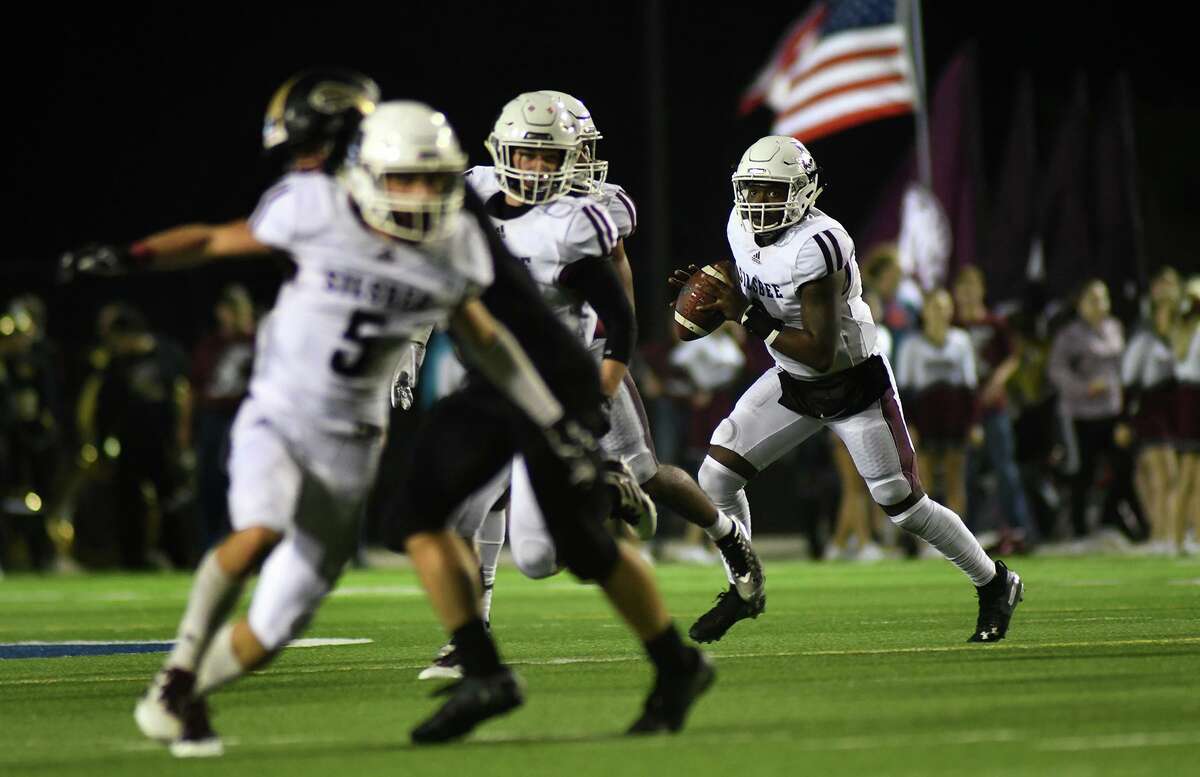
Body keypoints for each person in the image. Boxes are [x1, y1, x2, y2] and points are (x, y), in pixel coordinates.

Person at [385, 93, 713, 743]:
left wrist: (592, 403)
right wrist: (412, 343)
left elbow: (617, 321)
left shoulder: (571, 223)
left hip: (554, 383)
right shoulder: (466, 199)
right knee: (415, 513)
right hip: (492, 377)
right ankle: (481, 668)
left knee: (546, 554)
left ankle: (676, 659)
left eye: (548, 154)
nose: (533, 167)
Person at [672, 135, 1023, 644]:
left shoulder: (820, 244)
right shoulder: (738, 225)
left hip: (850, 383)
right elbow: (755, 289)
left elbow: (819, 350)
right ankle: (744, 584)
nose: (758, 203)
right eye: (752, 189)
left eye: (772, 191)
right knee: (716, 477)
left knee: (904, 506)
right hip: (792, 380)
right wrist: (713, 292)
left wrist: (743, 314)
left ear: (802, 191)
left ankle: (994, 581)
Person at [1048, 278, 1148, 542]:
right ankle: (1079, 531)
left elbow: (1123, 371)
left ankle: (1113, 517)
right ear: (1080, 304)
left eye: (1103, 298)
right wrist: (1084, 387)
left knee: (1123, 468)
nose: (1100, 304)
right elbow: (1056, 371)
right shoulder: (1070, 335)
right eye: (1092, 299)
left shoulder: (1115, 328)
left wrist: (1125, 410)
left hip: (1111, 412)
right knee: (1083, 472)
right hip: (1080, 414)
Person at [953, 266, 1038, 553]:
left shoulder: (995, 323)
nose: (967, 294)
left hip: (993, 406)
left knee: (1006, 469)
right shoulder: (954, 326)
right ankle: (967, 534)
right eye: (962, 288)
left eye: (971, 287)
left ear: (981, 290)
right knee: (965, 474)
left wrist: (998, 380)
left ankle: (1021, 529)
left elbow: (1013, 357)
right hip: (964, 410)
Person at [896, 288, 978, 521]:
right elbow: (904, 391)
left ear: (951, 310)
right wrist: (908, 425)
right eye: (934, 307)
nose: (940, 312)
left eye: (944, 307)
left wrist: (972, 424)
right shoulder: (911, 345)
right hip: (925, 418)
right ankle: (928, 540)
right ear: (925, 312)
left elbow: (970, 388)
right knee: (924, 479)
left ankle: (960, 539)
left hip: (954, 417)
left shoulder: (961, 341)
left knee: (955, 477)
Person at [190, 284, 256, 550]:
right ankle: (212, 543)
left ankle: (245, 542)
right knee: (210, 480)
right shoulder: (211, 344)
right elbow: (194, 387)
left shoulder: (258, 342)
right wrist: (185, 429)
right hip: (214, 418)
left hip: (246, 417)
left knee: (244, 480)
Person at [1122, 267, 1182, 554]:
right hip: (1151, 405)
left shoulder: (1185, 324)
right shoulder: (1144, 327)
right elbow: (1130, 373)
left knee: (1175, 476)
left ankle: (1170, 533)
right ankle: (1160, 533)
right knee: (1159, 474)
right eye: (1161, 284)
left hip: (1180, 405)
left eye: (1171, 285)